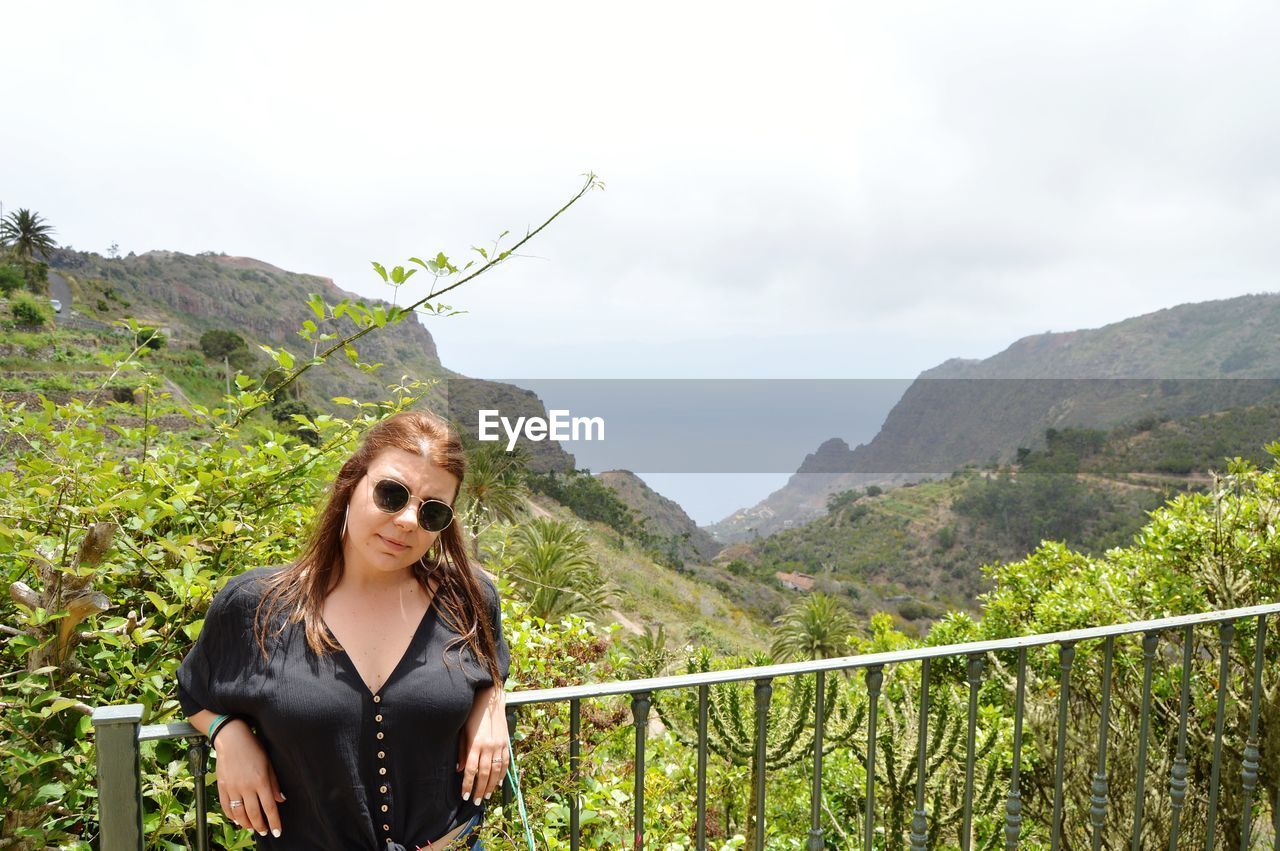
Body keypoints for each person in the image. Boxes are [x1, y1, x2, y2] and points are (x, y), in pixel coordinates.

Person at [178, 411, 511, 850]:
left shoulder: (467, 599)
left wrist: (492, 703)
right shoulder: (257, 605)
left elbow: (490, 664)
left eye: (432, 512)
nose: (409, 520)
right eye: (392, 494)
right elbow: (194, 690)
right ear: (350, 482)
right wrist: (227, 733)